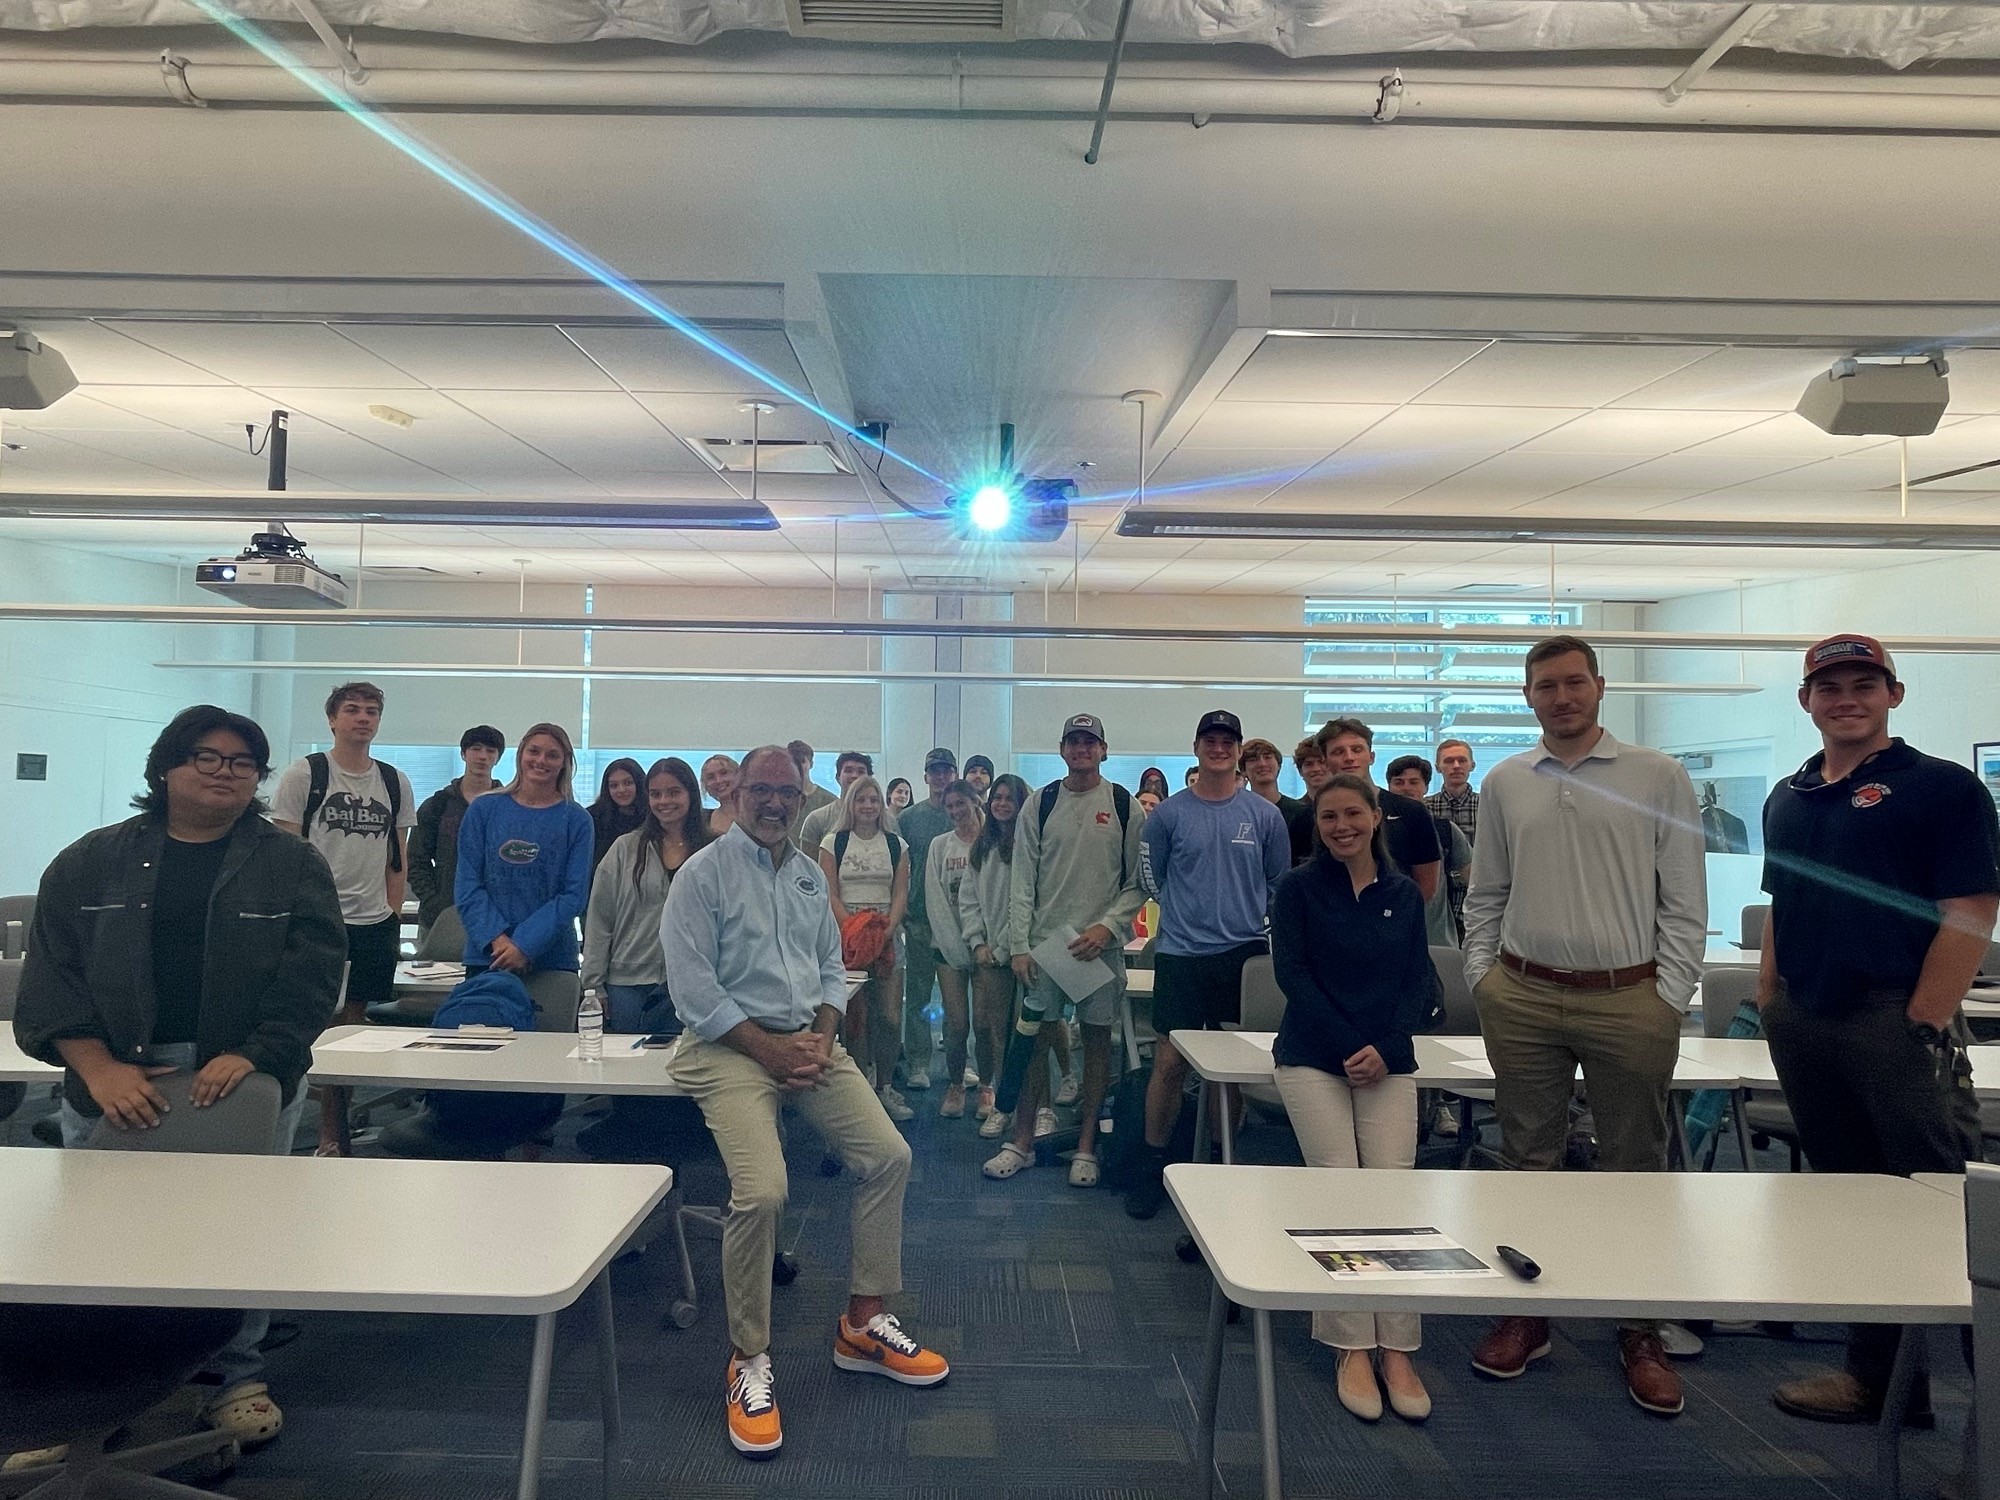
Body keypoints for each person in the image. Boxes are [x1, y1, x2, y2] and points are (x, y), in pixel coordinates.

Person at [15, 704, 345, 1451]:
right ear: (165, 766)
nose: (224, 772)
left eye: (242, 762)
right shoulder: (88, 861)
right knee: (104, 1238)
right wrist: (95, 1067)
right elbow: (54, 975)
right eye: (207, 756)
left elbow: (314, 972)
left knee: (238, 1229)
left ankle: (236, 1376)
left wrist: (259, 1052)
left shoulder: (290, 863)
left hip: (240, 1079)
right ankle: (92, 1390)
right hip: (114, 1076)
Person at [661, 744, 948, 1459]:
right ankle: (747, 1359)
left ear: (801, 798)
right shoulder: (702, 875)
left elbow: (830, 963)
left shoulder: (805, 874)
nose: (773, 804)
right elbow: (693, 992)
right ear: (735, 797)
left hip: (808, 1043)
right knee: (762, 1194)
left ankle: (863, 1321)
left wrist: (821, 1036)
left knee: (889, 1156)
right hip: (728, 1049)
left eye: (785, 794)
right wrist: (771, 1050)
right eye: (760, 790)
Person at [1460, 635, 1706, 1416]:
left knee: (1634, 1165)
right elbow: (1486, 893)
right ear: (1527, 695)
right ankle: (1528, 1313)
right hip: (1523, 996)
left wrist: (1668, 994)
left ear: (1599, 687)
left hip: (1629, 998)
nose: (1561, 697)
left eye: (1573, 683)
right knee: (1527, 1158)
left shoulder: (1656, 776)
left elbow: (1684, 901)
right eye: (1545, 686)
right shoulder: (1506, 781)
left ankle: (1638, 1327)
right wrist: (1484, 980)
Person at [1758, 634, 1997, 1425]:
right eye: (1830, 687)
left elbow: (1969, 911)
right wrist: (1770, 998)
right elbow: (1779, 907)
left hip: (1894, 1022)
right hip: (1809, 1022)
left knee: (1943, 1215)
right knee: (1853, 1208)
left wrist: (1924, 1018)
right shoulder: (1789, 796)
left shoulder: (1943, 789)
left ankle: (1990, 1415)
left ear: (1894, 694)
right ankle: (1880, 1379)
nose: (1846, 698)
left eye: (1865, 684)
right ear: (1807, 702)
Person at [1271, 773, 1435, 1424]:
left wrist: (1386, 1045)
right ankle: (1351, 1344)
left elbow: (1416, 976)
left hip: (1386, 1056)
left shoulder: (1402, 893)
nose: (1341, 826)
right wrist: (1349, 1043)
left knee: (1393, 1194)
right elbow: (1293, 975)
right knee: (1341, 1188)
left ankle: (1397, 1346)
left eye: (1352, 814)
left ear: (1375, 818)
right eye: (1328, 816)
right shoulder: (1298, 888)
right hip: (1314, 1054)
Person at [1124, 710, 1289, 1218]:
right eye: (1210, 740)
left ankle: (1223, 1166)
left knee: (1228, 1070)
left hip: (1242, 957)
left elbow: (1278, 881)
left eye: (1228, 741)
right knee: (1169, 1062)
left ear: (1238, 750)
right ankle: (1152, 1167)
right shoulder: (1169, 815)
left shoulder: (1263, 815)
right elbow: (1151, 879)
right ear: (1196, 748)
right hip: (1180, 952)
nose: (1219, 748)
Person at [985, 713, 1146, 1186]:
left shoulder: (1123, 804)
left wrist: (1108, 929)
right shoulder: (1042, 802)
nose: (1082, 749)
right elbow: (1022, 881)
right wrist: (1019, 946)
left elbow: (1138, 884)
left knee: (1097, 1046)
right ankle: (1021, 1142)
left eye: (1090, 742)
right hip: (1045, 950)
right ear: (1062, 749)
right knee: (1034, 1044)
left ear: (1104, 750)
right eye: (1074, 741)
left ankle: (1086, 1147)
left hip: (1099, 949)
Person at [270, 681, 416, 1152]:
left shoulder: (393, 781)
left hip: (373, 924)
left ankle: (336, 1128)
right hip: (316, 924)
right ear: (332, 719)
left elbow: (399, 857)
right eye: (352, 710)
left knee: (353, 1029)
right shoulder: (304, 774)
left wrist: (392, 914)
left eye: (372, 711)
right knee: (307, 1024)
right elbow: (283, 853)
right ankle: (286, 1120)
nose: (363, 718)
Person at [455, 723, 596, 983]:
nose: (541, 760)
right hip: (489, 956)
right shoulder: (483, 810)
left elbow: (573, 895)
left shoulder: (577, 820)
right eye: (534, 751)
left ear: (564, 763)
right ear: (521, 754)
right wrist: (497, 940)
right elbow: (467, 885)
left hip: (552, 960)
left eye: (552, 755)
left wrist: (524, 945)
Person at [583, 757, 711, 1036]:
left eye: (674, 792)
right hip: (627, 982)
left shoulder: (715, 850)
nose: (664, 801)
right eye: (655, 794)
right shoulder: (625, 848)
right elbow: (599, 919)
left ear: (691, 793)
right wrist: (593, 986)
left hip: (696, 984)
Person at [818, 775, 912, 1121]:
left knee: (888, 1017)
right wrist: (854, 930)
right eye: (861, 800)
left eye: (874, 800)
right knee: (855, 1020)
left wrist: (886, 930)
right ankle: (859, 1091)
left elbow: (900, 892)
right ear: (851, 804)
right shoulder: (833, 842)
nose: (868, 806)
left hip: (887, 939)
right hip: (847, 942)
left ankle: (885, 1086)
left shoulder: (896, 845)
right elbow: (830, 893)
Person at [1300, 720, 1441, 901]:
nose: (1349, 757)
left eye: (1357, 750)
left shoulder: (1412, 812)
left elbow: (1425, 889)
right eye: (1338, 752)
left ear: (1371, 756)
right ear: (1325, 762)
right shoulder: (1306, 818)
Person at [959, 773, 1030, 1122]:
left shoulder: (1031, 845)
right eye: (997, 797)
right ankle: (1004, 1105)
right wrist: (978, 943)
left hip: (1024, 950)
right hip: (990, 955)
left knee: (1031, 1032)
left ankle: (1035, 1106)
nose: (1002, 803)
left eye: (1009, 799)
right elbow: (969, 901)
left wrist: (1009, 945)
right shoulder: (981, 847)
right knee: (997, 1030)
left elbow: (1025, 900)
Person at [895, 748, 958, 1092]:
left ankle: (956, 1065)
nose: (940, 777)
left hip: (956, 923)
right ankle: (918, 1062)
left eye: (946, 771)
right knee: (918, 996)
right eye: (934, 771)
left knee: (955, 1000)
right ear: (925, 776)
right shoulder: (909, 818)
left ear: (954, 774)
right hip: (918, 920)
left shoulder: (962, 814)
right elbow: (899, 868)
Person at [407, 724, 504, 942]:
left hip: (496, 919)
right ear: (463, 753)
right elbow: (416, 859)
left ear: (498, 758)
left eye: (490, 751)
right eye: (476, 749)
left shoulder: (509, 807)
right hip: (440, 917)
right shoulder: (437, 805)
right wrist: (434, 901)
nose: (482, 757)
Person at [925, 779, 984, 1118]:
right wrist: (955, 948)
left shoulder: (993, 842)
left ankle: (988, 1084)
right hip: (948, 947)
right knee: (957, 1023)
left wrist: (982, 944)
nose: (955, 812)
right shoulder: (939, 846)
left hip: (988, 947)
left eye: (961, 804)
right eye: (949, 807)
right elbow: (935, 897)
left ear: (976, 802)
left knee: (986, 1024)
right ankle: (956, 1083)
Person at [1386, 755, 1471, 948]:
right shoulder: (1375, 830)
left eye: (1414, 782)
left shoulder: (1445, 830)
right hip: (1389, 937)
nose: (1406, 788)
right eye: (1398, 782)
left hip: (1437, 940)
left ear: (1426, 787)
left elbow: (1473, 880)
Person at [1424, 738, 1479, 938]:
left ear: (1472, 765)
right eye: (1448, 761)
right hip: (1437, 910)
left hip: (1478, 906)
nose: (1456, 766)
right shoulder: (1423, 809)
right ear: (1438, 767)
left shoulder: (1489, 807)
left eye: (1461, 760)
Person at [799, 751, 897, 861]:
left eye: (861, 771)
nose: (854, 776)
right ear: (837, 777)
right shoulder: (817, 819)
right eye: (848, 770)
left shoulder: (888, 820)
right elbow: (808, 868)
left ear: (870, 778)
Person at [586, 757, 647, 871]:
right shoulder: (592, 818)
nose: (621, 790)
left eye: (628, 783)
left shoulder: (652, 818)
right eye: (614, 785)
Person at [1242, 736, 1307, 829]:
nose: (1262, 764)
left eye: (1267, 757)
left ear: (1279, 765)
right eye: (1253, 759)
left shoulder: (1300, 813)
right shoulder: (1237, 813)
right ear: (1243, 770)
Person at [790, 740, 837, 819]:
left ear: (811, 764)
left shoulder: (829, 801)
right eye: (794, 762)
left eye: (801, 761)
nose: (798, 766)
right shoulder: (779, 799)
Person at [703, 754, 741, 838]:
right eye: (711, 777)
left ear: (738, 775)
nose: (718, 781)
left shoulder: (756, 813)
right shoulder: (703, 820)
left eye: (724, 773)